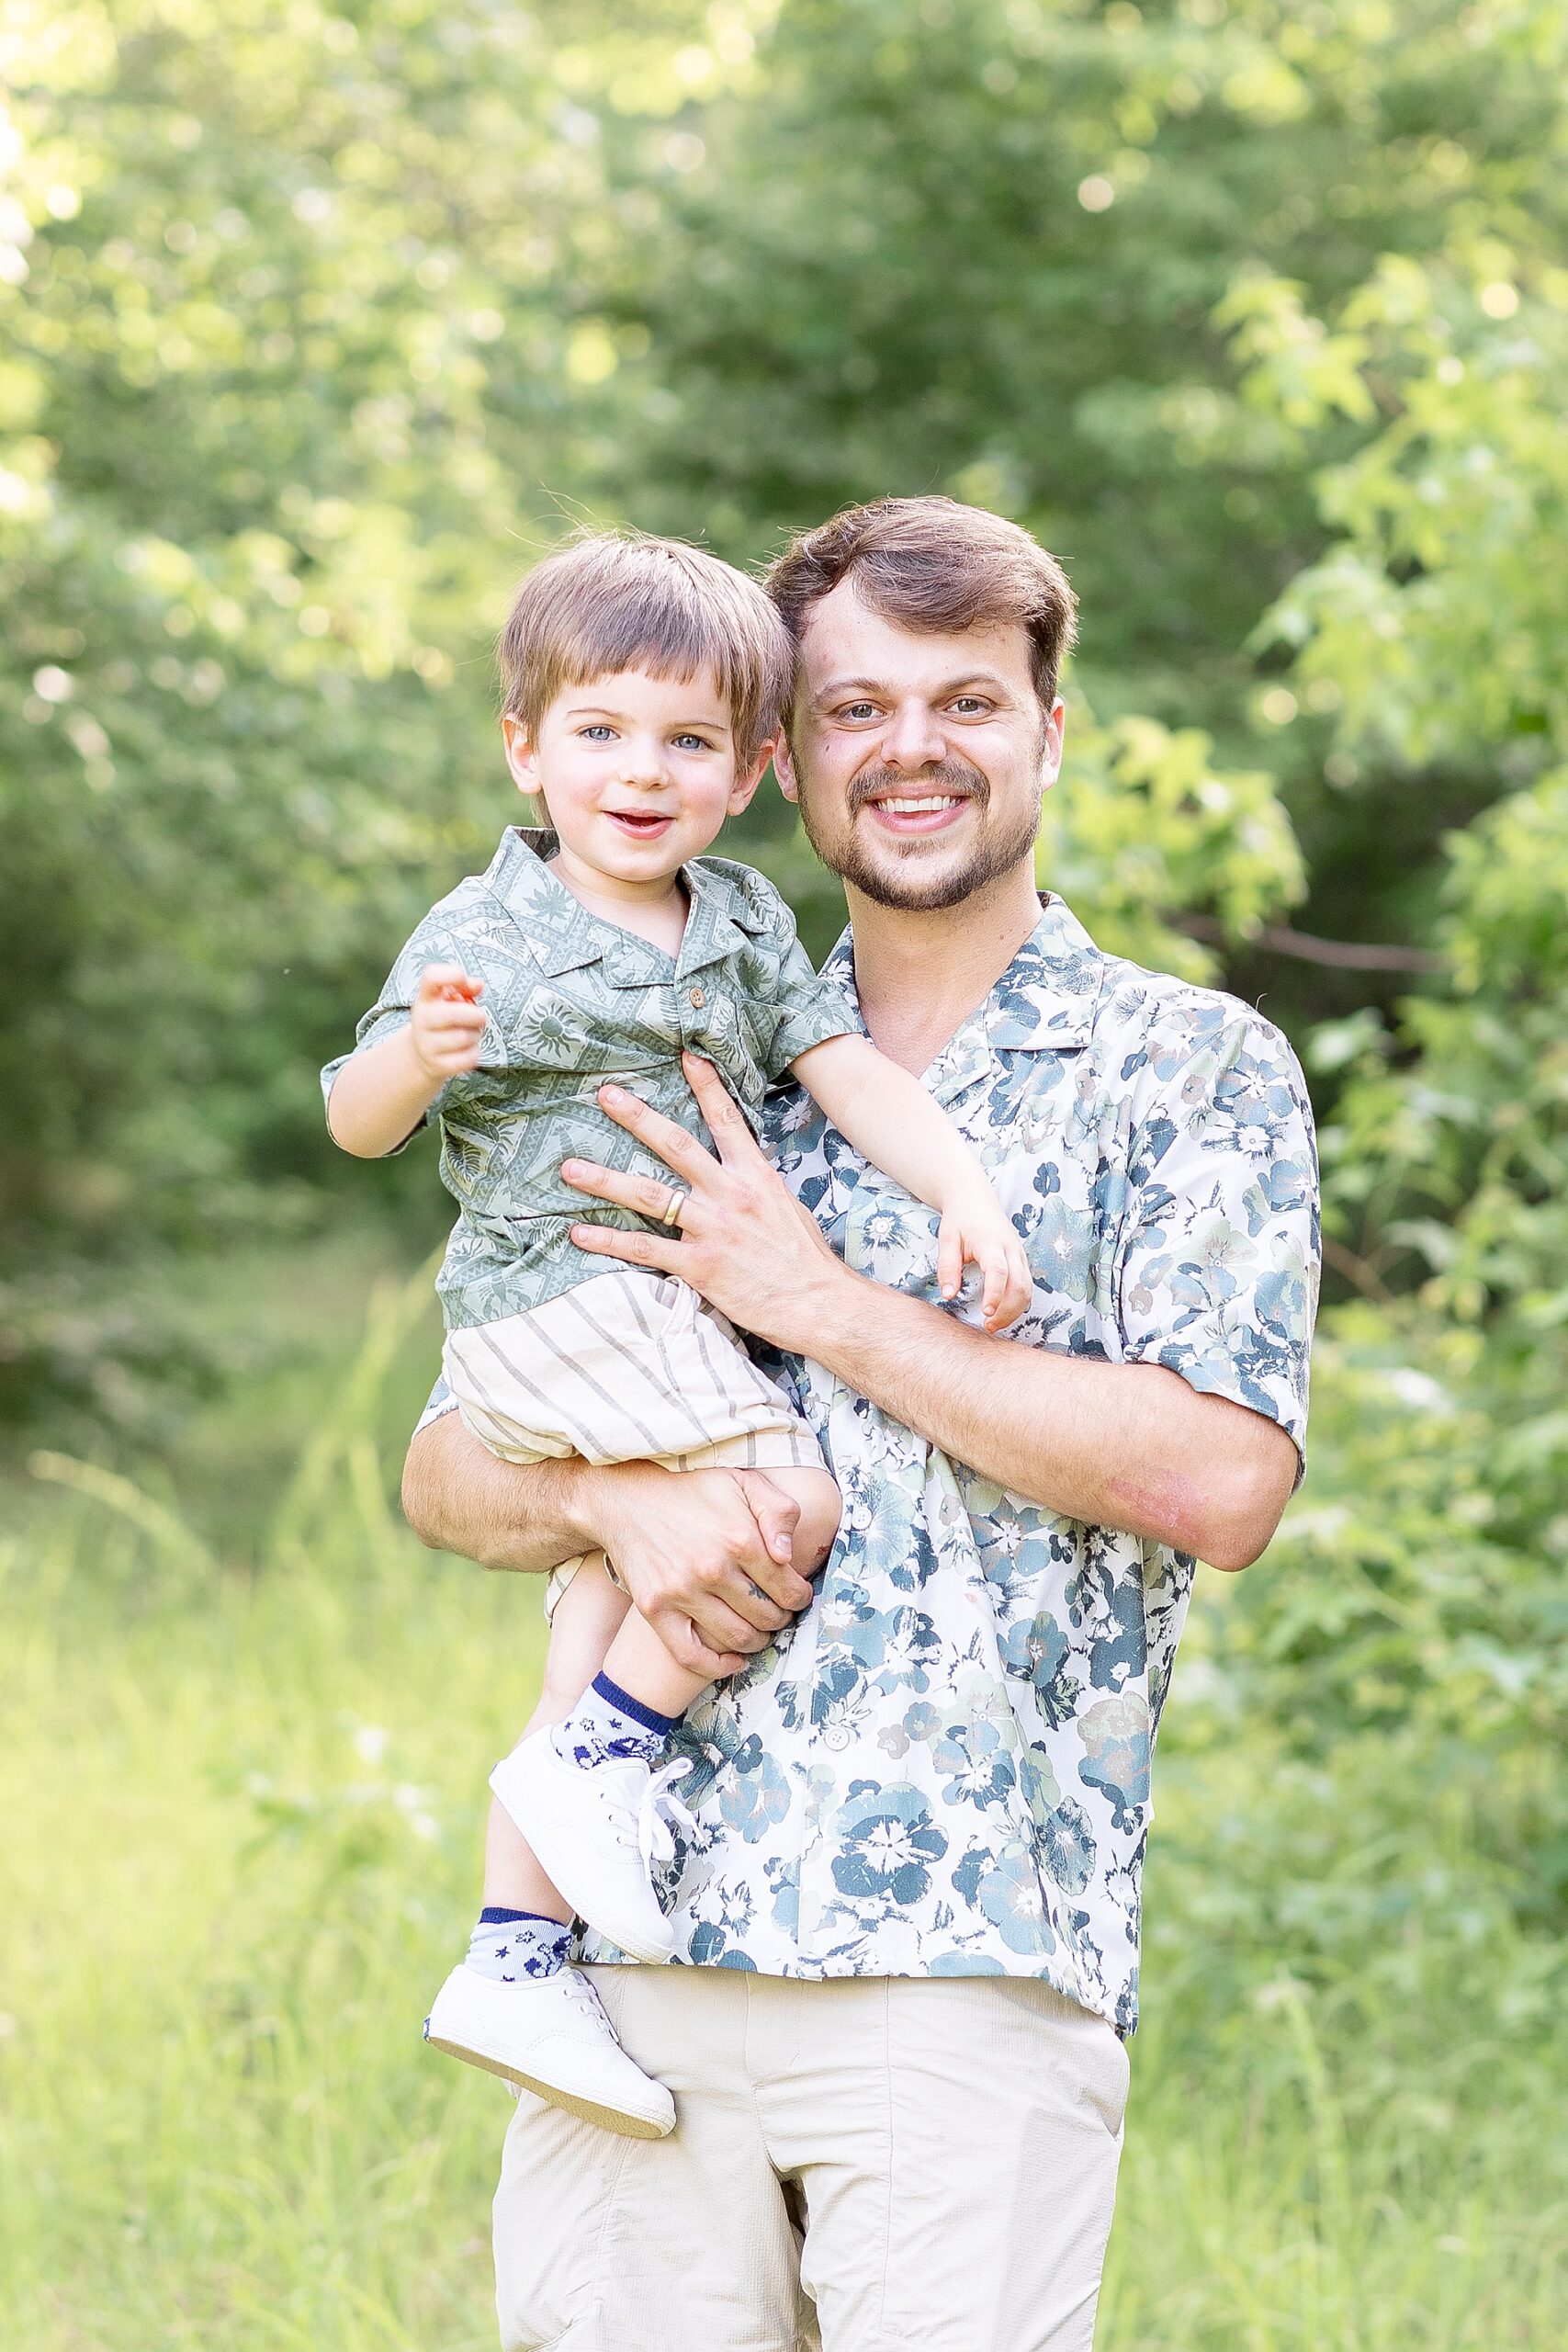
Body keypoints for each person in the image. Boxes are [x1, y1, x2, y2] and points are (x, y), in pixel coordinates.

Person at [402, 496, 1320, 2352]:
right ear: (780, 756)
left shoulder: (1184, 1065)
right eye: (854, 708)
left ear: (1049, 729)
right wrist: (610, 1500)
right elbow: (444, 1465)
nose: (909, 748)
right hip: (625, 1972)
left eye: (966, 702)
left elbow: (1217, 1480)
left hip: (959, 1964)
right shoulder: (657, 1030)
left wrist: (823, 1302)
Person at [322, 532, 1031, 2140]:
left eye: (690, 742)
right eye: (601, 732)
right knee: (790, 1504)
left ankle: (516, 1944)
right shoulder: (489, 930)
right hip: (560, 1298)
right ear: (527, 747)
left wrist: (964, 1188)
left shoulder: (743, 927)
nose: (642, 772)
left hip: (636, 1319)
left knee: (615, 1573)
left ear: (754, 770)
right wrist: (420, 1058)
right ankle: (599, 1763)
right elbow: (353, 1122)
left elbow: (843, 1072)